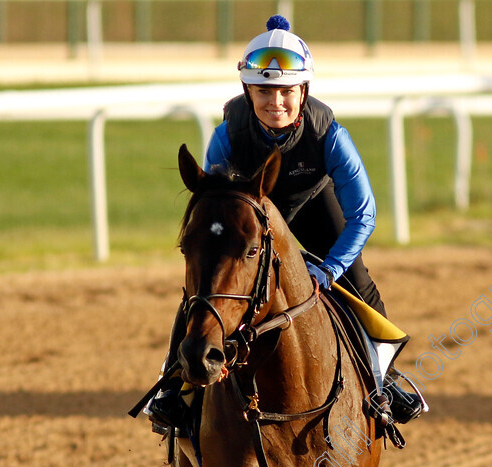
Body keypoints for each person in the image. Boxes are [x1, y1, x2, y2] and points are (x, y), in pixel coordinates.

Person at [147, 15, 424, 433]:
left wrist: (328, 268)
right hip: (249, 220)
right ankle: (174, 387)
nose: (275, 102)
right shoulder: (227, 134)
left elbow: (363, 214)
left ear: (303, 91)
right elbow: (214, 208)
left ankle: (383, 384)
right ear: (247, 91)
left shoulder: (329, 133)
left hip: (315, 210)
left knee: (361, 284)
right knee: (205, 290)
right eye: (263, 91)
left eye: (286, 91)